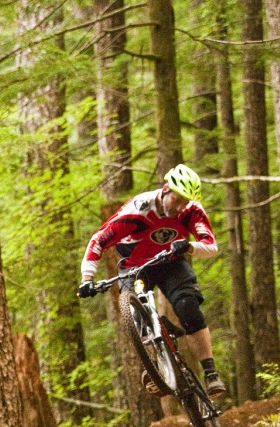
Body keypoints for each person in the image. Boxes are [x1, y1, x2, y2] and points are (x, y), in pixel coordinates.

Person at [76, 164, 227, 399]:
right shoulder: (138, 210)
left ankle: (210, 372)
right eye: (177, 200)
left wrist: (188, 246)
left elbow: (211, 245)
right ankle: (157, 366)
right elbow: (98, 240)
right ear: (166, 189)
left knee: (188, 306)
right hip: (135, 265)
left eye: (185, 202)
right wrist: (87, 278)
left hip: (171, 263)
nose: (180, 208)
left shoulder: (191, 211)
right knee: (136, 316)